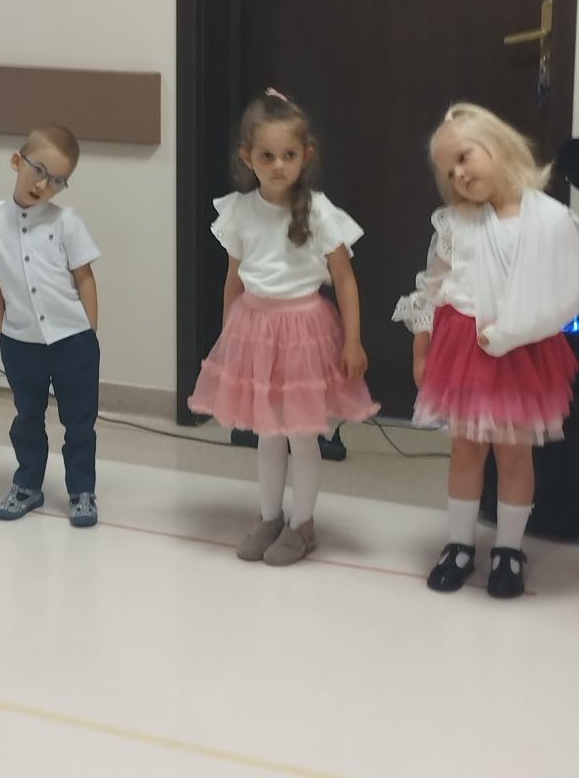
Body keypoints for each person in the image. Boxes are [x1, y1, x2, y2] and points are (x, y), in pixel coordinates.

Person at [394, 103, 579, 597]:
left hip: (521, 354)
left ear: (498, 147)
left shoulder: (548, 219)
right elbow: (432, 287)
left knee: (515, 454)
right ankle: (458, 544)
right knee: (465, 449)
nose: (457, 174)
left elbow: (561, 286)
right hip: (464, 349)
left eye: (464, 157)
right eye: (448, 170)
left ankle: (509, 550)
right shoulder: (455, 224)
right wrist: (421, 346)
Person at [189, 89, 377, 565]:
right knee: (268, 433)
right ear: (247, 157)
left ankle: (302, 525)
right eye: (267, 156)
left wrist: (353, 340)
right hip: (254, 328)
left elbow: (345, 279)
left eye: (288, 155)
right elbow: (233, 278)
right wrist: (229, 337)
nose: (278, 165)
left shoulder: (319, 211)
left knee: (301, 433)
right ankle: (270, 517)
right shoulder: (239, 210)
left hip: (303, 333)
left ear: (306, 156)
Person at [0, 126, 101, 527]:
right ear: (16, 161)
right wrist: (4, 331)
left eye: (57, 180)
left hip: (72, 340)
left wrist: (89, 333)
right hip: (21, 342)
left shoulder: (66, 222)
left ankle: (82, 490)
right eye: (38, 170)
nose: (43, 185)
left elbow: (85, 278)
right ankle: (27, 484)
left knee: (79, 422)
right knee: (27, 418)